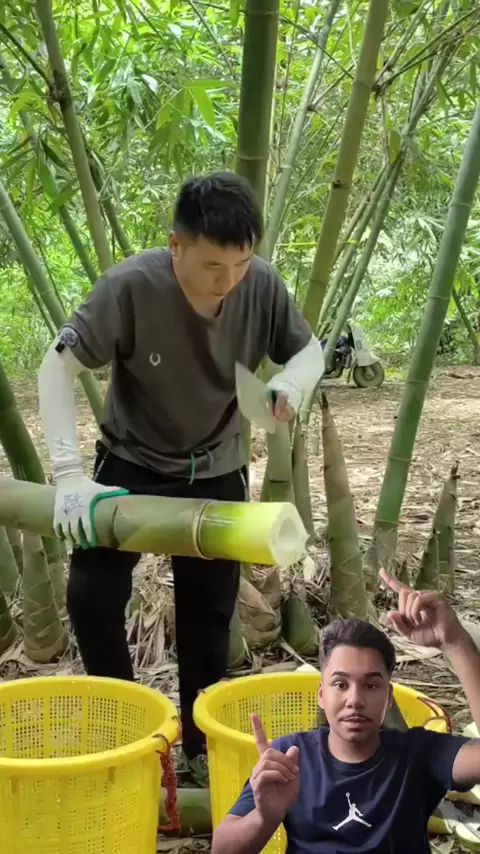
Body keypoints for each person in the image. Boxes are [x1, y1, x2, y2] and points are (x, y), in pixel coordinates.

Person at [37, 170, 325, 787]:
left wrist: (290, 383)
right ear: (176, 246)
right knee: (91, 598)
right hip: (131, 464)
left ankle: (198, 746)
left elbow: (310, 349)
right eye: (213, 266)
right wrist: (67, 473)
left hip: (216, 467)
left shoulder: (260, 284)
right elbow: (56, 368)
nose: (229, 280)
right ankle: (126, 733)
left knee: (208, 615)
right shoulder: (130, 287)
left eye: (241, 263)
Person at [212, 567, 480, 853]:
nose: (355, 699)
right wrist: (265, 818)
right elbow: (222, 850)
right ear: (321, 695)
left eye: (371, 685)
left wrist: (454, 641)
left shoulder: (419, 755)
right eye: (340, 684)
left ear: (389, 698)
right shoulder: (290, 758)